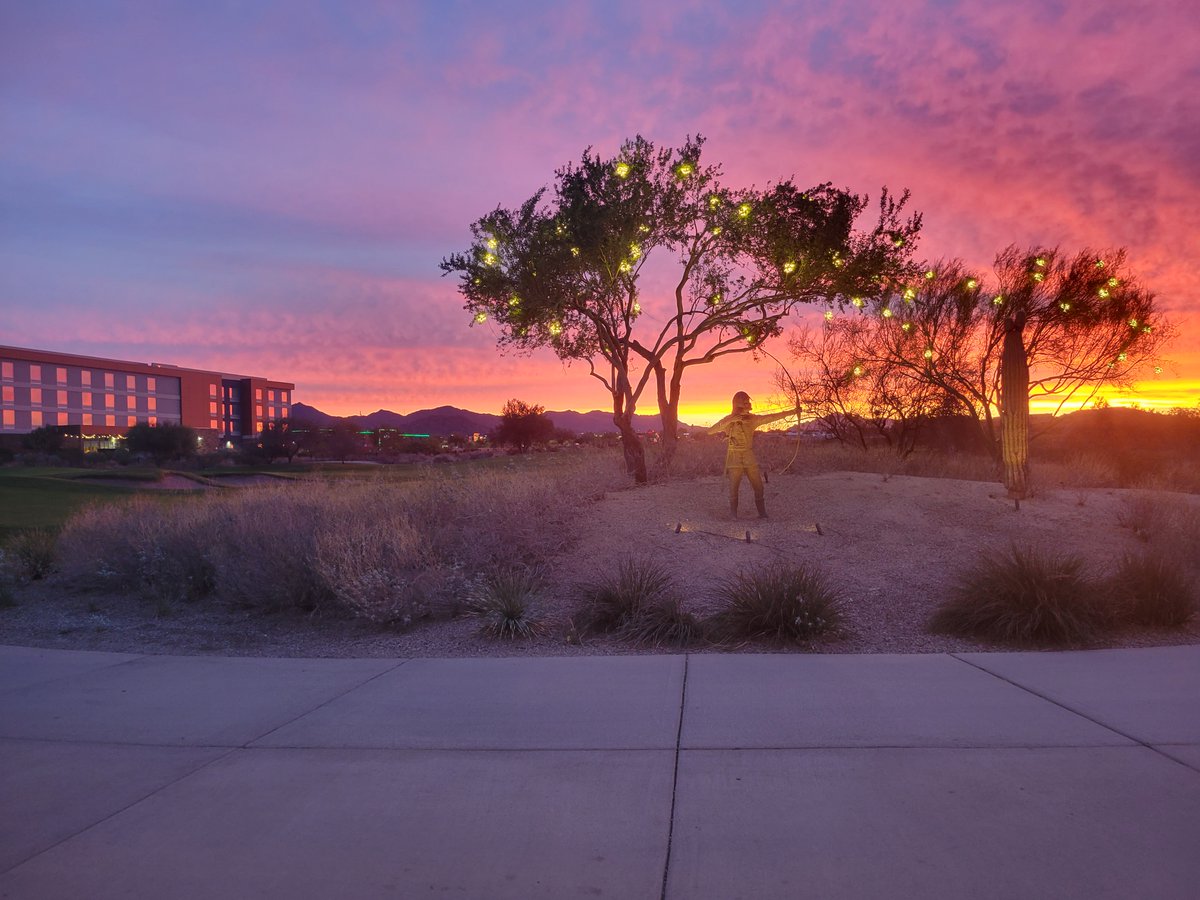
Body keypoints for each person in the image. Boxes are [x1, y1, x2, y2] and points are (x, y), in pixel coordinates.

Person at [707, 391, 796, 518]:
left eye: (748, 402)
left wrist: (792, 412)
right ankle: (733, 514)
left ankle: (762, 513)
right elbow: (710, 431)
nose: (748, 404)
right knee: (733, 488)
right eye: (745, 402)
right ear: (738, 404)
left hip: (749, 456)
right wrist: (731, 420)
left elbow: (771, 417)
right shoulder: (729, 420)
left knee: (758, 486)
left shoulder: (752, 419)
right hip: (734, 458)